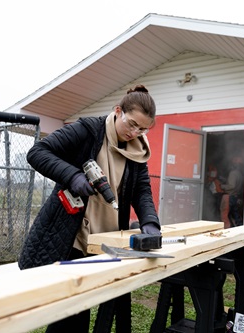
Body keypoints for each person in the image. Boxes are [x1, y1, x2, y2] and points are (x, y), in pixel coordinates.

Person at [18, 85, 160, 333]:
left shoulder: (138, 150)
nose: (135, 132)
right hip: (74, 236)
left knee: (103, 306)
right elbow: (38, 152)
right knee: (71, 315)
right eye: (132, 124)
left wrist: (150, 222)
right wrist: (73, 176)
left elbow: (142, 190)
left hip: (107, 240)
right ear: (118, 111)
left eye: (143, 128)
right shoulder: (88, 131)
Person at [220, 156, 244, 228]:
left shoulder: (233, 173)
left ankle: (227, 230)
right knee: (235, 215)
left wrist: (221, 186)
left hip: (230, 197)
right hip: (236, 197)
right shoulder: (240, 174)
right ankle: (239, 229)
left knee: (225, 216)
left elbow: (232, 186)